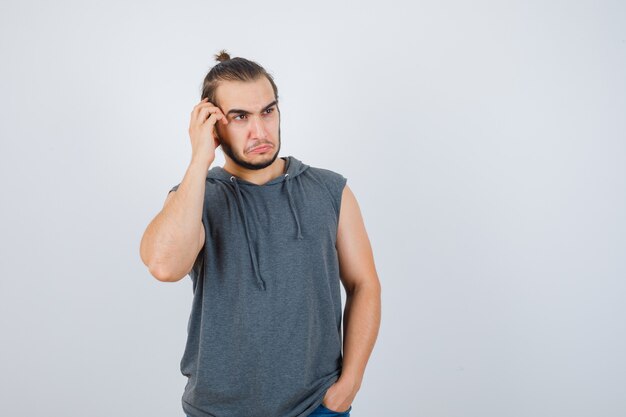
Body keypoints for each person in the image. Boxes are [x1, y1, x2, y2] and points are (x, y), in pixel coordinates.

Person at [140, 50, 381, 417]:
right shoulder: (196, 197)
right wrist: (198, 159)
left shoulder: (330, 190)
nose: (260, 131)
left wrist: (347, 387)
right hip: (217, 410)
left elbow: (364, 284)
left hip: (317, 407)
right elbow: (163, 265)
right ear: (214, 124)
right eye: (240, 117)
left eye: (268, 111)